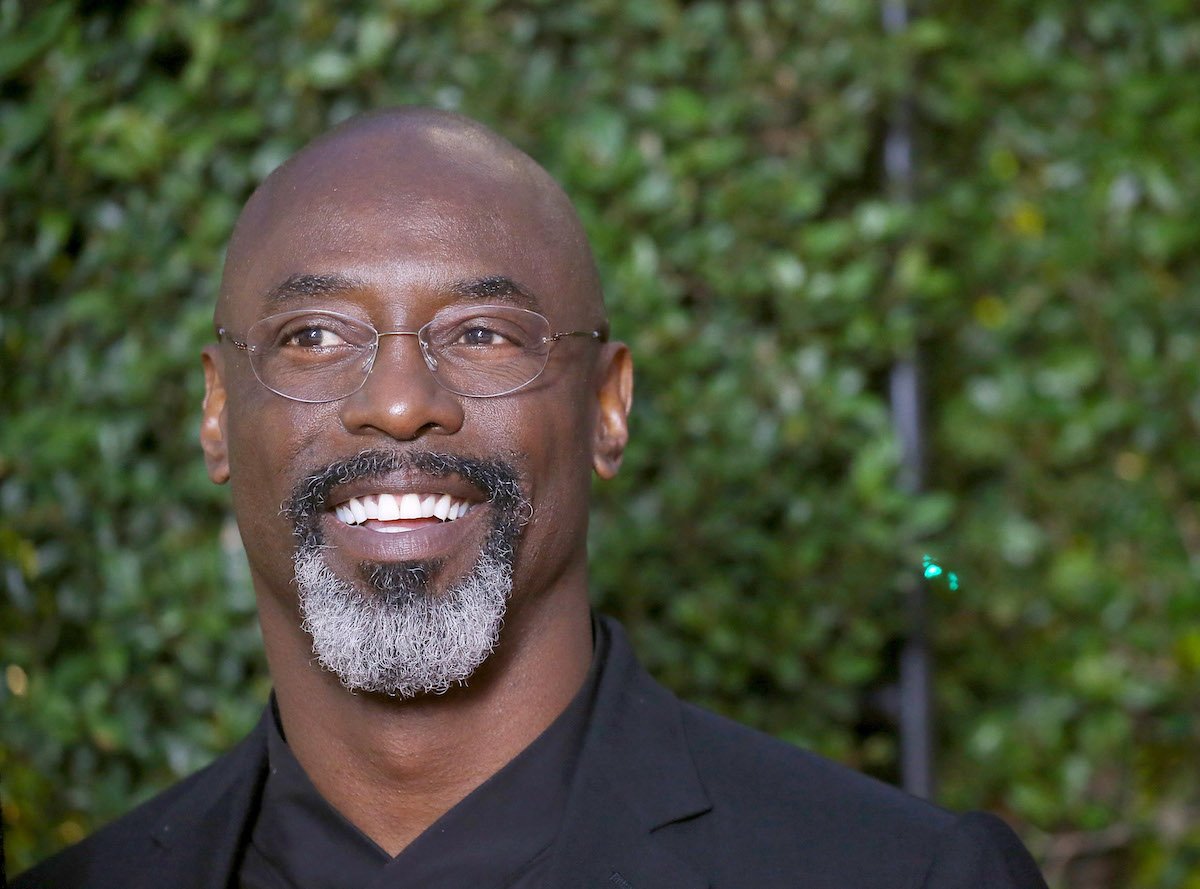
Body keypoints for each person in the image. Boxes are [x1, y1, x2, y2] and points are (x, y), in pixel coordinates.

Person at [15, 107, 1048, 889]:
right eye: (315, 336)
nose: (400, 403)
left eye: (482, 335)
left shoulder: (896, 876)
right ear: (215, 415)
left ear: (608, 405)